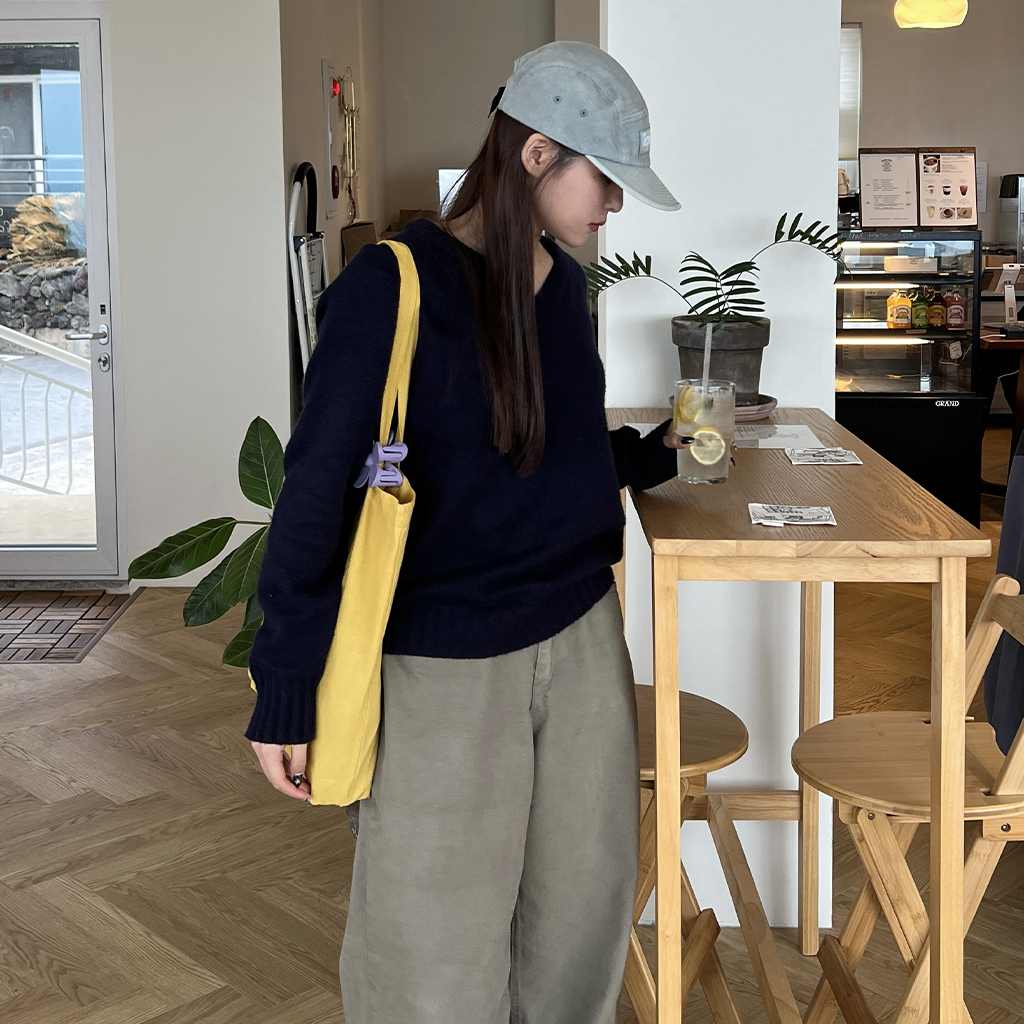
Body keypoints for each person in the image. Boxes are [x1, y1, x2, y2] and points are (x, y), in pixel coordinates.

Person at [246, 40, 682, 1024]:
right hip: (442, 665)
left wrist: (654, 456)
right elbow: (315, 493)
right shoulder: (392, 287)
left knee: (581, 921)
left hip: (580, 642)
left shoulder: (560, 288)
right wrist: (284, 687)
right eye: (605, 178)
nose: (613, 204)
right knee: (430, 953)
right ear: (536, 155)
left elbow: (549, 460)